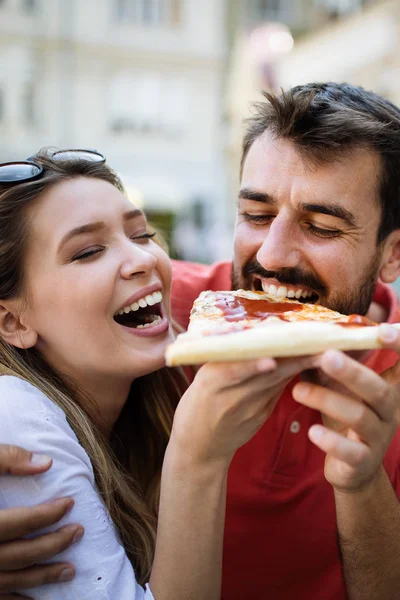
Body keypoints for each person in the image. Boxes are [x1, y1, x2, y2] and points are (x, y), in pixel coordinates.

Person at [1, 82, 400, 599]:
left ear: (392, 254)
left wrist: (363, 484)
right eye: (256, 215)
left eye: (321, 226)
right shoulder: (162, 315)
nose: (273, 255)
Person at [0, 149, 320, 600]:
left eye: (142, 233)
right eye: (88, 251)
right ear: (12, 322)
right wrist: (199, 454)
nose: (141, 259)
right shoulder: (15, 416)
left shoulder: (150, 381)